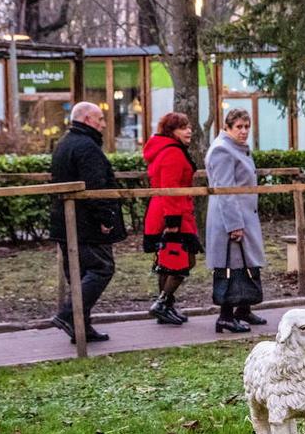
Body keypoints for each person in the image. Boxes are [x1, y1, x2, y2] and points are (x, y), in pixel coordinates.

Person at [49, 101, 126, 343]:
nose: (103, 124)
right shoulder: (87, 147)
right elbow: (96, 186)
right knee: (101, 268)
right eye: (100, 119)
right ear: (86, 119)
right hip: (85, 224)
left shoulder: (64, 143)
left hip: (68, 221)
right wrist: (106, 218)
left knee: (80, 273)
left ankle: (82, 326)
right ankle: (69, 315)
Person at [206, 108, 266, 333]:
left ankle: (243, 308)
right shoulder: (222, 150)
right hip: (230, 217)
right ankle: (225, 316)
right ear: (227, 127)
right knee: (231, 266)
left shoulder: (237, 148)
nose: (243, 131)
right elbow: (225, 190)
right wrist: (234, 225)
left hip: (243, 214)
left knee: (246, 262)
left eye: (246, 126)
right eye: (239, 127)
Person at [142, 112, 202, 325]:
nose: (189, 131)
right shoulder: (172, 153)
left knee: (168, 262)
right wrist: (173, 222)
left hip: (163, 211)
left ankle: (166, 307)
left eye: (189, 126)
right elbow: (171, 188)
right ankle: (162, 302)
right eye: (183, 127)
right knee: (183, 260)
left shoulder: (164, 150)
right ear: (171, 131)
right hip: (172, 212)